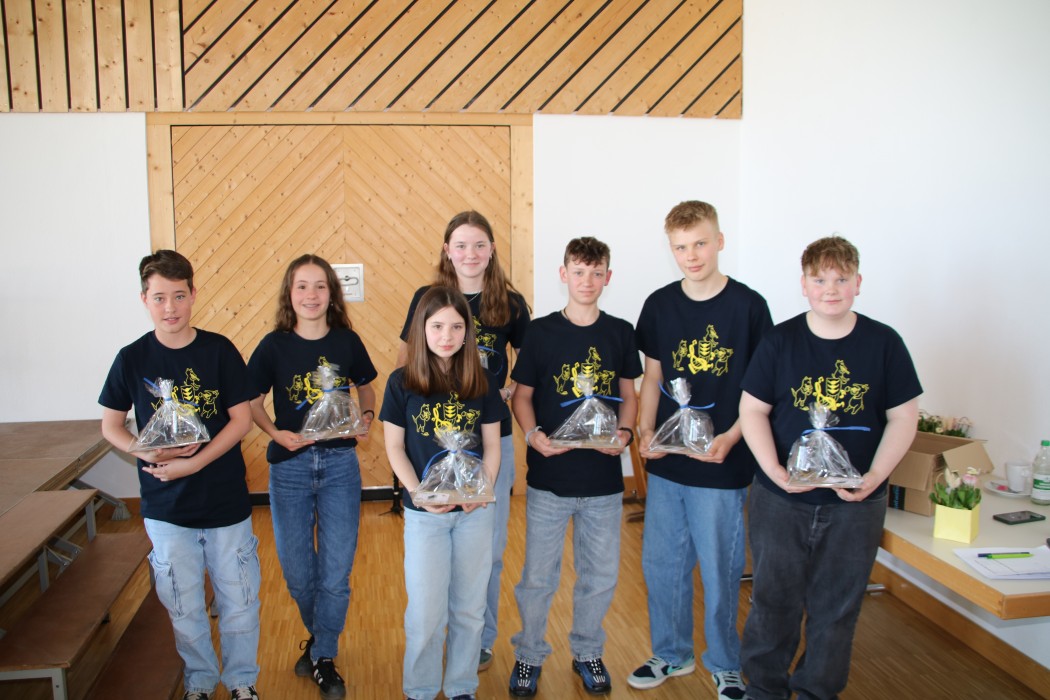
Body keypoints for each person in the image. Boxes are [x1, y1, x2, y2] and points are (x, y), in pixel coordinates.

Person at [738, 235, 921, 700]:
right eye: (819, 280)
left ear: (858, 283)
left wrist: (874, 478)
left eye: (841, 279)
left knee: (837, 607)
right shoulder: (780, 341)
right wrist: (774, 471)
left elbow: (904, 417)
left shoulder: (884, 343)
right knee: (773, 601)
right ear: (804, 285)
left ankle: (818, 691)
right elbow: (752, 410)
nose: (831, 289)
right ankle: (764, 689)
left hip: (855, 504)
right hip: (781, 500)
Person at [99, 250, 261, 700]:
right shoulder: (131, 358)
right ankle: (200, 682)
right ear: (144, 299)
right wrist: (145, 449)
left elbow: (241, 421)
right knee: (183, 604)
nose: (169, 307)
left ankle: (242, 681)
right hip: (165, 507)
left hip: (225, 502)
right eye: (159, 297)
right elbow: (111, 426)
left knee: (240, 599)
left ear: (193, 295)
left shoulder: (219, 350)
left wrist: (192, 463)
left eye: (178, 296)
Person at [628, 201, 772, 699]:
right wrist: (646, 430)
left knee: (720, 570)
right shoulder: (659, 305)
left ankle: (725, 662)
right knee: (662, 566)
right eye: (680, 247)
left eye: (700, 244)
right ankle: (671, 653)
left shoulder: (749, 307)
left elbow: (761, 392)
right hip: (669, 463)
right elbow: (653, 376)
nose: (691, 256)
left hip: (722, 462)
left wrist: (731, 438)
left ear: (720, 241)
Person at [507, 237, 641, 697]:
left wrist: (625, 434)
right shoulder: (540, 332)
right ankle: (528, 655)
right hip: (549, 481)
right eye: (579, 272)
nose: (587, 281)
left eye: (596, 272)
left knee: (599, 576)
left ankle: (587, 652)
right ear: (563, 274)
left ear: (608, 277)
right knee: (537, 579)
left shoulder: (620, 332)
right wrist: (532, 436)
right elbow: (522, 396)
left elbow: (628, 394)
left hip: (603, 482)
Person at [397, 210, 530, 671]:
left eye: (479, 244)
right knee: (434, 554)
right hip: (433, 445)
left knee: (486, 551)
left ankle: (478, 640)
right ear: (447, 251)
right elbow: (405, 363)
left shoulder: (510, 303)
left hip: (490, 442)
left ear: (492, 250)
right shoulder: (426, 298)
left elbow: (528, 364)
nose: (470, 254)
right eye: (461, 245)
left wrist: (506, 391)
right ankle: (435, 640)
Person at [246, 254, 378, 700]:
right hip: (290, 468)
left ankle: (323, 655)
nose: (311, 295)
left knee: (335, 575)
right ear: (290, 294)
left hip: (341, 467)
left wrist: (365, 419)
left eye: (320, 286)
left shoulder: (347, 341)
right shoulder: (273, 346)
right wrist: (275, 433)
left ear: (332, 293)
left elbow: (366, 387)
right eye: (302, 286)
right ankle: (320, 638)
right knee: (299, 575)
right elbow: (251, 402)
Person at [381, 286, 506, 700]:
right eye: (437, 326)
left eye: (456, 327)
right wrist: (419, 494)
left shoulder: (483, 380)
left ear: (468, 331)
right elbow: (394, 448)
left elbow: (492, 447)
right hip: (424, 516)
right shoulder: (401, 382)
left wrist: (480, 490)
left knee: (470, 608)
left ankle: (461, 686)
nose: (447, 336)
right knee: (425, 610)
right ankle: (420, 689)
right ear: (422, 329)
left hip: (474, 513)